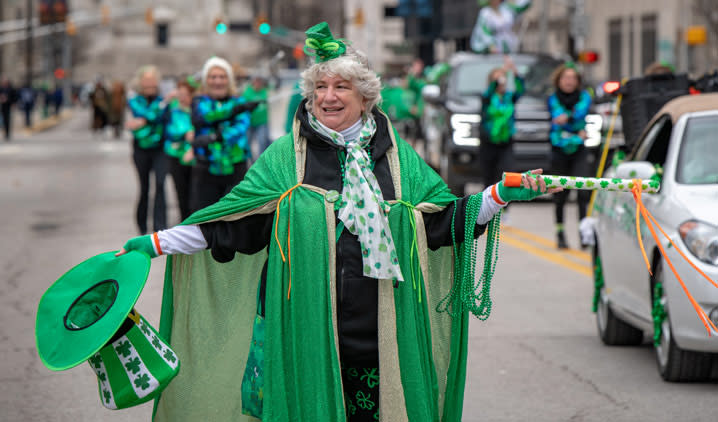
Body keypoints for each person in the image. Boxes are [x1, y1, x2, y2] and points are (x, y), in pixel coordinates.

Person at [115, 23, 557, 421]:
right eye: (320, 87)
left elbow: (441, 225)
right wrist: (156, 242)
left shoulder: (398, 160)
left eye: (341, 86)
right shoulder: (286, 160)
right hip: (304, 334)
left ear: (365, 97)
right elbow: (235, 226)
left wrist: (497, 196)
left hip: (380, 335)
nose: (328, 97)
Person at [189, 56, 251, 212]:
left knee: (233, 218)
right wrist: (232, 111)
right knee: (206, 218)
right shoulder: (198, 101)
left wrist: (216, 137)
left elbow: (241, 127)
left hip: (235, 165)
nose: (218, 81)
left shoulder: (239, 101)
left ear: (229, 80)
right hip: (206, 166)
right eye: (213, 77)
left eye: (222, 77)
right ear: (206, 80)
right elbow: (203, 117)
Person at [547, 62, 593, 249]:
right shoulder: (552, 98)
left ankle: (584, 234)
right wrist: (575, 129)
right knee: (560, 195)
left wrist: (567, 120)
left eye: (573, 78)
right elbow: (558, 114)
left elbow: (578, 113)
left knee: (583, 192)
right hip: (558, 151)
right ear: (558, 80)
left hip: (579, 151)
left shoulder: (584, 96)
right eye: (566, 78)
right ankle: (560, 233)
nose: (569, 81)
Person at [126, 65, 169, 234]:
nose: (150, 83)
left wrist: (143, 121)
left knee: (160, 184)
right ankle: (142, 227)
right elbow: (147, 113)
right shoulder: (135, 99)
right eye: (147, 79)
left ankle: (160, 227)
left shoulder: (162, 99)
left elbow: (156, 116)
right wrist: (153, 115)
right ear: (140, 81)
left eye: (153, 79)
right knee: (144, 187)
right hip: (141, 149)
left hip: (161, 149)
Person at [479, 56, 524, 192]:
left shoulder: (509, 97)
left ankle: (505, 209)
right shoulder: (487, 97)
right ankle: (487, 209)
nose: (501, 81)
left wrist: (513, 71)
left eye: (503, 79)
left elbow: (521, 89)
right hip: (489, 142)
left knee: (507, 173)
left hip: (506, 142)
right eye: (497, 79)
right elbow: (490, 90)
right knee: (489, 176)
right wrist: (502, 72)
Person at [163, 77, 197, 221]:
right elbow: (169, 130)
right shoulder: (173, 108)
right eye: (180, 94)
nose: (183, 97)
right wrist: (186, 133)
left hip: (196, 156)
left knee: (195, 195)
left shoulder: (198, 109)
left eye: (186, 94)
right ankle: (185, 223)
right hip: (176, 155)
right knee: (181, 193)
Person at [242, 74, 271, 159]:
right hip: (250, 122)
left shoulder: (264, 91)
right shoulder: (247, 92)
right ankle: (249, 160)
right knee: (247, 143)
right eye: (256, 81)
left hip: (262, 122)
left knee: (262, 141)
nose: (258, 84)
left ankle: (261, 160)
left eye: (259, 82)